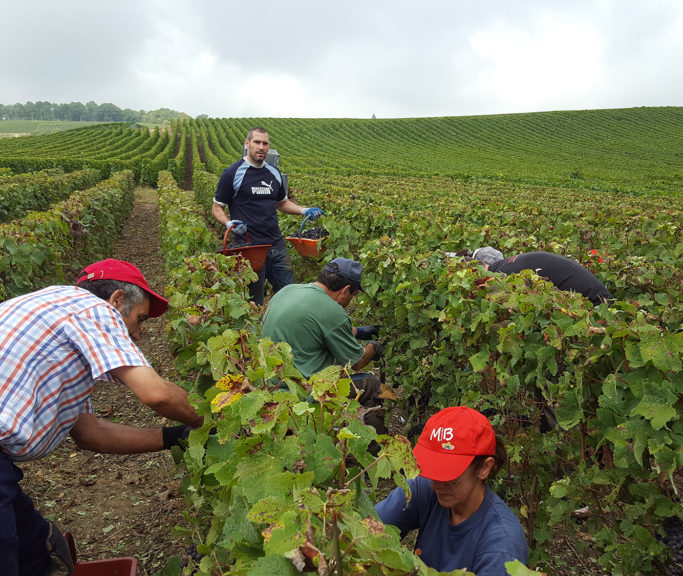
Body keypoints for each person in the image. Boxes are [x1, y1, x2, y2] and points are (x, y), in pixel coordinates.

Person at [0, 259, 204, 576]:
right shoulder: (93, 309)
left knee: (37, 552)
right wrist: (205, 420)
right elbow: (156, 394)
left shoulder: (50, 319)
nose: (138, 334)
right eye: (140, 320)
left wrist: (175, 437)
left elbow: (92, 434)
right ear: (117, 299)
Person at [375, 406, 529, 576]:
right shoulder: (425, 488)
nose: (435, 485)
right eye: (432, 470)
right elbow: (369, 530)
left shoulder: (501, 548)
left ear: (484, 468)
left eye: (449, 476)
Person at [260, 257, 386, 434]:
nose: (351, 300)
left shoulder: (288, 291)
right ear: (345, 290)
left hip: (268, 386)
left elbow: (313, 328)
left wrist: (358, 331)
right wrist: (374, 348)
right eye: (353, 296)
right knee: (370, 384)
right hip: (302, 395)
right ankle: (372, 449)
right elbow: (356, 362)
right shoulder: (332, 311)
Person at [211, 126, 325, 305]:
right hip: (249, 249)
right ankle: (255, 332)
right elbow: (217, 207)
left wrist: (304, 210)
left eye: (265, 143)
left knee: (289, 296)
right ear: (247, 144)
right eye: (257, 142)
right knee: (253, 301)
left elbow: (282, 203)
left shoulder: (274, 173)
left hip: (276, 245)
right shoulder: (233, 173)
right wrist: (228, 223)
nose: (261, 147)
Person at [469, 247, 613, 305]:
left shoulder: (505, 276)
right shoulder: (509, 263)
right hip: (599, 297)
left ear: (478, 271)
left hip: (598, 304)